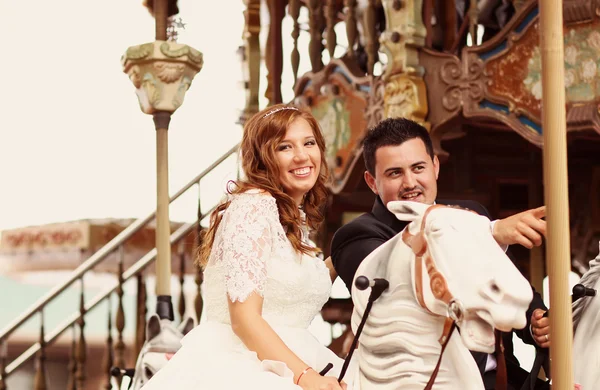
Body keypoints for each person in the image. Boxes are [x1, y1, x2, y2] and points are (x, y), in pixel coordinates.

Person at [143, 104, 354, 390]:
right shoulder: (254, 207)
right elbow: (244, 318)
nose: (302, 155)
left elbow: (289, 286)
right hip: (243, 363)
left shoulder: (290, 217)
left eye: (309, 143)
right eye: (284, 147)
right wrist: (306, 378)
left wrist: (346, 253)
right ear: (263, 158)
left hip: (293, 354)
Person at [330, 117, 549, 390]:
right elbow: (403, 279)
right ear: (372, 182)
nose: (410, 182)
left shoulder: (471, 214)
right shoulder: (357, 236)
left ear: (435, 167)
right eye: (395, 173)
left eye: (418, 167)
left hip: (498, 378)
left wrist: (535, 323)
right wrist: (488, 233)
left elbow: (505, 283)